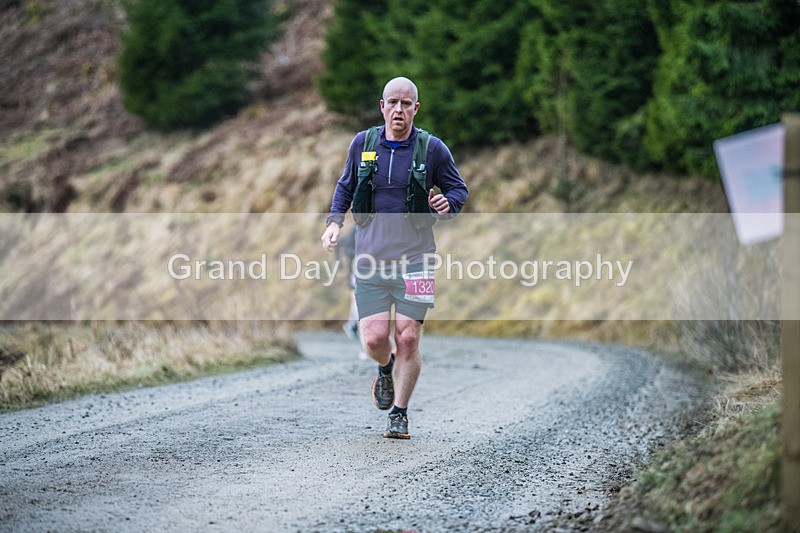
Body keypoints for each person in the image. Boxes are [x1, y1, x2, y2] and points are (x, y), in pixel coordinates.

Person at [321, 76, 468, 439]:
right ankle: (385, 369)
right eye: (393, 103)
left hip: (416, 259)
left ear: (416, 108)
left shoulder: (432, 149)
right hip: (371, 259)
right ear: (382, 106)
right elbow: (345, 186)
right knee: (373, 338)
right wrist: (334, 223)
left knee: (408, 337)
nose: (399, 110)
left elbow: (458, 189)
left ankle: (399, 413)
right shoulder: (363, 143)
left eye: (406, 104)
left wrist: (447, 204)